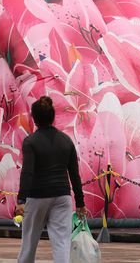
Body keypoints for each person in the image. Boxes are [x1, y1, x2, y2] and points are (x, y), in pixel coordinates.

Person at [14, 96, 87, 263]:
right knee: (62, 242)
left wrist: (21, 200)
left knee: (29, 243)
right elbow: (74, 175)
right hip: (62, 196)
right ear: (53, 117)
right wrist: (80, 203)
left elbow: (27, 172)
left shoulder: (30, 142)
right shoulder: (66, 141)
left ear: (34, 118)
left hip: (37, 197)